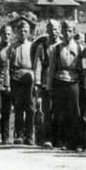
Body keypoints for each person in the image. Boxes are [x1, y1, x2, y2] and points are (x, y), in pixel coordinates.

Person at [46, 20, 85, 150]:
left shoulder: (80, 48)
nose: (67, 33)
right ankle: (59, 141)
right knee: (59, 112)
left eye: (70, 31)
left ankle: (75, 142)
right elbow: (51, 69)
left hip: (74, 82)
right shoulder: (56, 48)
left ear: (74, 32)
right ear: (61, 32)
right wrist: (49, 86)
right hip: (59, 81)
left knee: (74, 112)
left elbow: (84, 68)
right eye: (64, 30)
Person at [31, 19, 59, 147]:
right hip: (45, 82)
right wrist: (37, 83)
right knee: (46, 111)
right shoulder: (42, 47)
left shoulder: (61, 45)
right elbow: (38, 66)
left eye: (55, 29)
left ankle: (59, 138)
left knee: (59, 111)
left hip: (60, 82)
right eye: (50, 29)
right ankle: (47, 138)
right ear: (47, 31)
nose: (53, 32)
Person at [8, 17, 35, 145]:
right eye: (20, 31)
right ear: (16, 32)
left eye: (25, 31)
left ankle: (29, 136)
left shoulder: (32, 46)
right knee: (18, 107)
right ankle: (18, 134)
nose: (23, 33)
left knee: (30, 108)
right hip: (16, 79)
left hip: (29, 79)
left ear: (29, 32)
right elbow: (8, 66)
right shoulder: (12, 47)